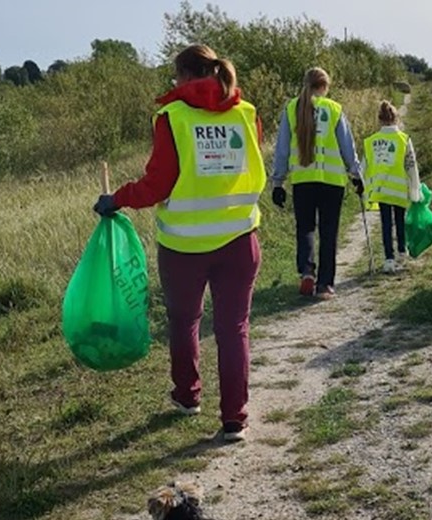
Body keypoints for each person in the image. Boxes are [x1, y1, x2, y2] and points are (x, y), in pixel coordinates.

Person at [93, 44, 265, 443]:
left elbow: (158, 184)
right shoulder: (247, 113)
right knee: (233, 328)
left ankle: (188, 397)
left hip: (184, 247)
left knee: (185, 321)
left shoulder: (172, 117)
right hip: (240, 240)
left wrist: (116, 199)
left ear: (185, 77)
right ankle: (234, 419)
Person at [270, 67, 364, 299]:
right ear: (325, 86)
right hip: (332, 182)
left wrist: (278, 182)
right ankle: (325, 285)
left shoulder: (292, 108)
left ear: (306, 83)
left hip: (303, 180)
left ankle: (307, 272)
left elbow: (281, 149)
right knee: (329, 231)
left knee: (305, 228)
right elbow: (347, 147)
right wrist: (356, 174)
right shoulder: (334, 109)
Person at [363, 100, 422, 274]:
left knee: (386, 223)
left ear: (379, 119)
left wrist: (359, 182)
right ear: (396, 119)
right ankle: (402, 253)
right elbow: (411, 165)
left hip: (381, 188)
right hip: (399, 189)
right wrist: (415, 189)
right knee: (400, 221)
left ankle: (388, 259)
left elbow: (364, 165)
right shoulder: (404, 139)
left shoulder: (371, 141)